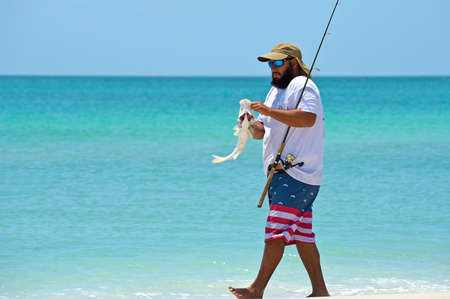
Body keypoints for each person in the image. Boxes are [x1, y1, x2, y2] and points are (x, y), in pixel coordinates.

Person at [228, 43, 329, 298]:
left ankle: (256, 289)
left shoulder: (304, 86)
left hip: (298, 174)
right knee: (303, 234)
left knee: (276, 230)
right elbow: (262, 131)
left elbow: (308, 118)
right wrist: (250, 125)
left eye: (277, 63)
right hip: (279, 175)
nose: (272, 69)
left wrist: (269, 111)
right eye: (269, 65)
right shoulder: (275, 91)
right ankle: (320, 291)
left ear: (293, 63)